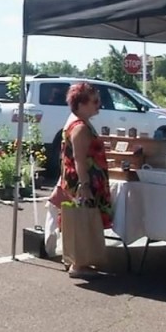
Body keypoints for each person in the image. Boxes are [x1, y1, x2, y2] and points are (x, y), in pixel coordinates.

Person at [56, 81, 113, 279]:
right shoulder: (79, 127)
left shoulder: (81, 123)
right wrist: (85, 185)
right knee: (81, 220)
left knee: (85, 220)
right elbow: (80, 160)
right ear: (80, 104)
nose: (98, 104)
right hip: (83, 181)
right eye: (94, 101)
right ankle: (78, 264)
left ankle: (80, 261)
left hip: (85, 179)